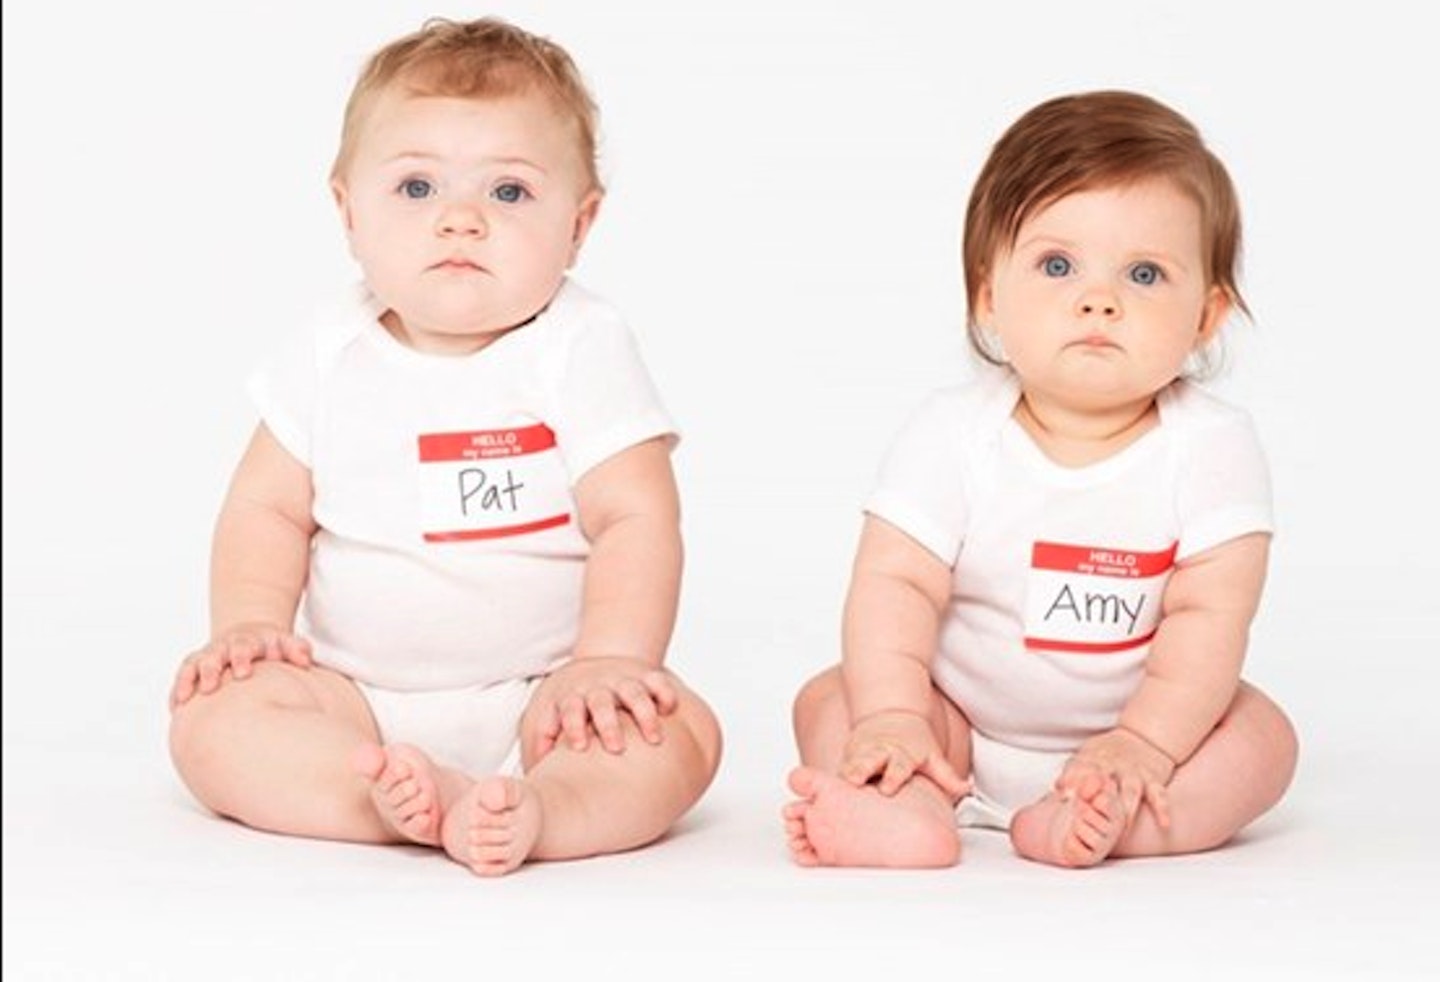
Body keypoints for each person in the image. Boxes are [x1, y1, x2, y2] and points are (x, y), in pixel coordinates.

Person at [169, 16, 721, 877]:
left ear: (580, 225)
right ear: (348, 211)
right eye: (417, 188)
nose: (460, 220)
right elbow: (266, 506)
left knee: (679, 734)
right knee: (211, 724)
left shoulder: (582, 345)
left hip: (545, 697)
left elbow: (637, 516)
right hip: (350, 699)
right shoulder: (326, 351)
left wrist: (610, 661)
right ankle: (385, 800)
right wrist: (248, 629)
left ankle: (549, 806)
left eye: (508, 193)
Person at [783, 90, 1298, 869]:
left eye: (1146, 274)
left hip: (1145, 739)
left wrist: (1143, 744)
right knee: (830, 698)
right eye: (1057, 265)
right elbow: (896, 585)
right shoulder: (952, 433)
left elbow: (1210, 620)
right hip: (957, 726)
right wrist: (893, 715)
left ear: (1206, 317)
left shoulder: (1213, 448)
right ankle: (910, 802)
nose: (1099, 299)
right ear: (989, 294)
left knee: (1264, 741)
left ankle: (1112, 820)